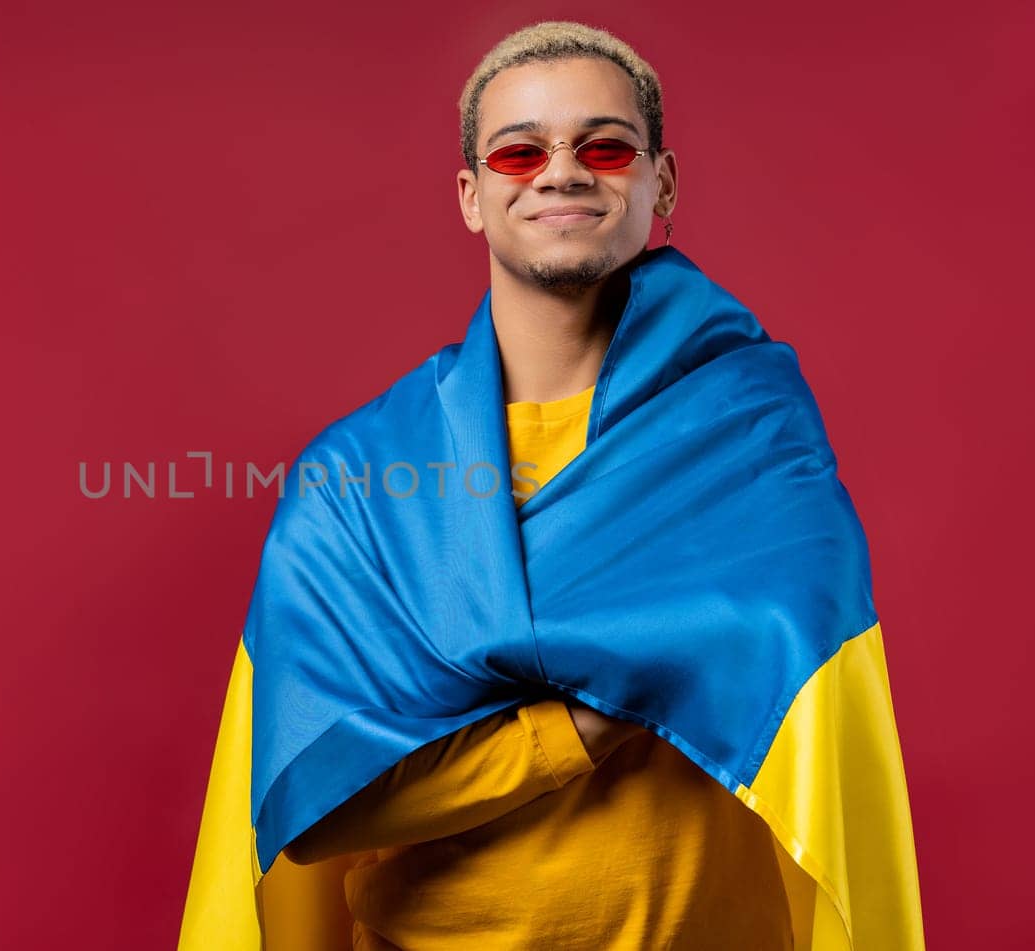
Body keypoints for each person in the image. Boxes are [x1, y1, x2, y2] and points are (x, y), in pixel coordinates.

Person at [181, 20, 923, 951]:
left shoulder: (750, 430)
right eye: (520, 150)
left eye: (604, 145)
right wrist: (591, 712)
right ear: (472, 195)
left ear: (663, 182)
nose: (561, 171)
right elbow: (316, 800)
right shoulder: (358, 478)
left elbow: (809, 698)